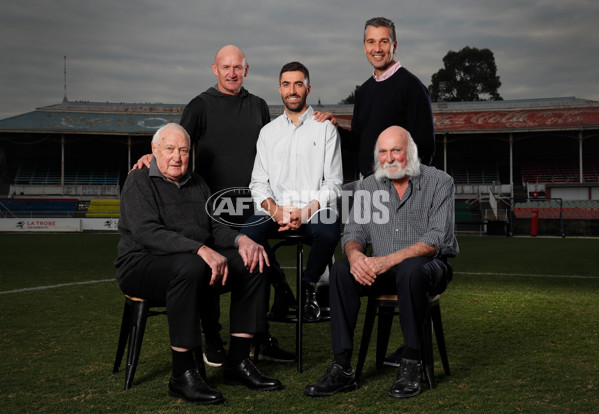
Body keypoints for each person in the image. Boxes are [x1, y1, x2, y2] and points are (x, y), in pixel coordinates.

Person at [133, 45, 295, 366]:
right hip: (210, 208)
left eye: (238, 67)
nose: (232, 73)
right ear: (215, 69)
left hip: (251, 205)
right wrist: (151, 158)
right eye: (226, 67)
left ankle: (259, 340)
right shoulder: (200, 106)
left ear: (246, 70)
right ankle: (213, 341)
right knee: (211, 272)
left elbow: (271, 153)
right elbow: (177, 144)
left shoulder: (259, 106)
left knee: (257, 264)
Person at [116, 123, 282, 406]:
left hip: (191, 260)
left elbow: (216, 228)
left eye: (183, 150)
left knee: (255, 261)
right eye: (169, 149)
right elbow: (148, 233)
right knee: (190, 267)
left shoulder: (198, 183)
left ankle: (238, 362)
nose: (177, 157)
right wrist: (200, 249)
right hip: (141, 264)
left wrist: (242, 239)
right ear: (154, 151)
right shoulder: (139, 180)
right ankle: (182, 374)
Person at [304, 126, 458, 400]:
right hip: (384, 269)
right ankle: (342, 367)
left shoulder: (440, 182)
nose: (389, 158)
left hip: (429, 267)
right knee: (341, 270)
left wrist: (388, 260)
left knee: (411, 270)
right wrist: (355, 256)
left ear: (410, 152)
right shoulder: (369, 186)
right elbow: (354, 234)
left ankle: (412, 362)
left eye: (396, 150)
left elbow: (437, 238)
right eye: (383, 152)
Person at [241, 61, 343, 322]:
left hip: (313, 210)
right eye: (287, 84)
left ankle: (308, 287)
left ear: (308, 88)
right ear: (279, 89)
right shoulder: (268, 133)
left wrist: (305, 210)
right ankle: (280, 285)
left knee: (330, 228)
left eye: (298, 84)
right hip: (278, 211)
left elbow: (333, 183)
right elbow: (257, 183)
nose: (292, 90)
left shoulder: (326, 129)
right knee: (248, 234)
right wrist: (275, 211)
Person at [315, 16, 436, 175]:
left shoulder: (412, 87)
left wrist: (401, 185)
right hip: (369, 188)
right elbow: (359, 143)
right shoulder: (363, 91)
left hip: (399, 189)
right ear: (364, 47)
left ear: (395, 46)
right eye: (371, 42)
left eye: (384, 42)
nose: (377, 49)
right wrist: (335, 128)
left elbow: (425, 148)